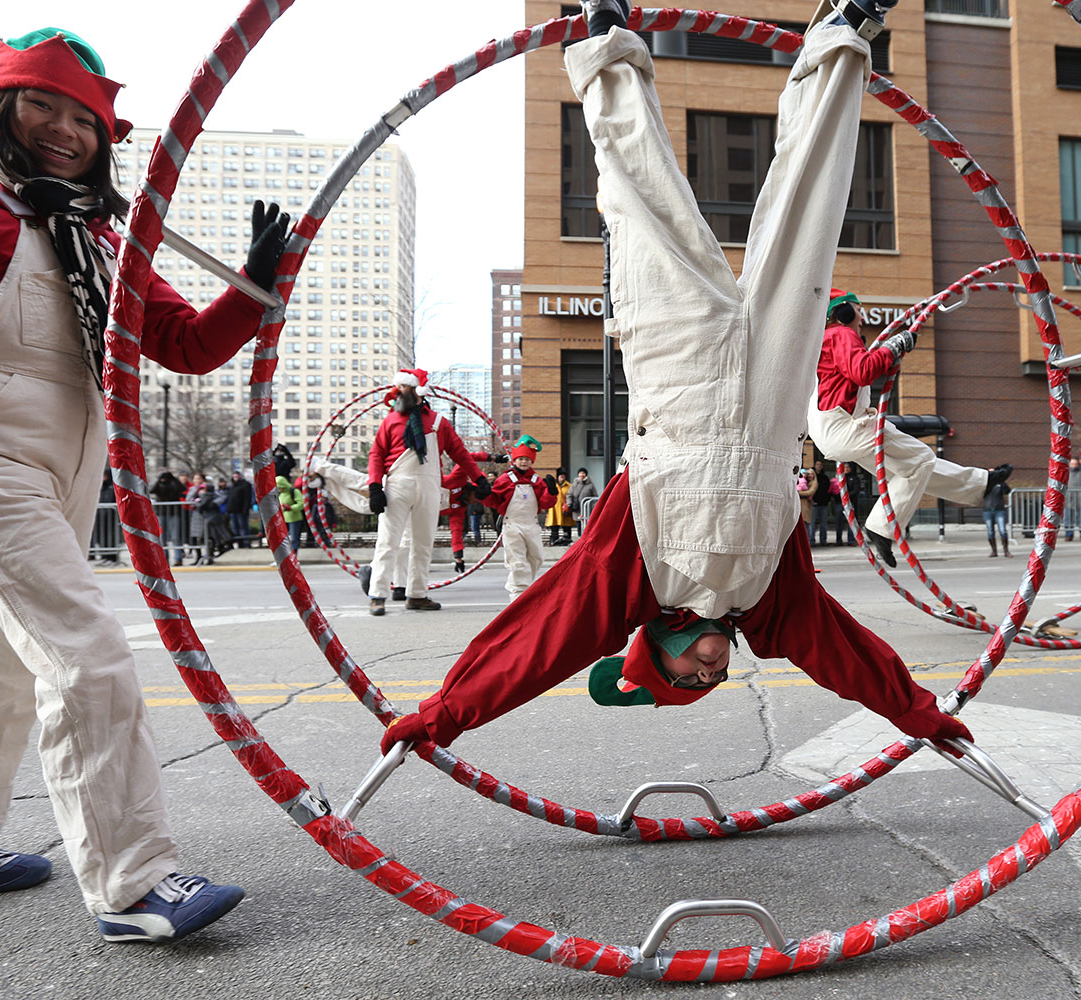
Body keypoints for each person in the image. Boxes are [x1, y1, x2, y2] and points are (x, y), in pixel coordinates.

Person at [380, 0, 971, 759]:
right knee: (813, 216)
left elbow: (534, 645)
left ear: (653, 649)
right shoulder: (770, 607)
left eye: (683, 677)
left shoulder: (627, 587)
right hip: (772, 399)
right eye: (709, 685)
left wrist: (443, 716)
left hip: (680, 379)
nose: (709, 674)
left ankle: (605, 41)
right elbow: (847, 656)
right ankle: (844, 32)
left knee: (642, 209)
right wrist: (920, 715)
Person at [0, 28, 278, 941]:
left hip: (74, 460)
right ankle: (135, 881)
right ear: (0, 108)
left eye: (85, 119)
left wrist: (251, 287)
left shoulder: (99, 236)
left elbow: (180, 344)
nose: (64, 130)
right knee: (87, 651)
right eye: (42, 105)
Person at [807, 288, 1010, 567]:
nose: (863, 316)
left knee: (913, 467)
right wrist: (894, 346)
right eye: (858, 308)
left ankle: (981, 484)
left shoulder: (827, 341)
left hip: (837, 429)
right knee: (921, 460)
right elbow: (863, 370)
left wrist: (892, 347)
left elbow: (857, 371)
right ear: (843, 312)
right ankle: (880, 527)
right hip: (845, 427)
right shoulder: (841, 334)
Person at [365, 369, 490, 614]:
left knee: (422, 543)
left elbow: (460, 453)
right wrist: (375, 486)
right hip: (397, 484)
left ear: (417, 391)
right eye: (398, 387)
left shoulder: (438, 422)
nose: (399, 391)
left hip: (429, 485)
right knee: (387, 541)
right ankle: (377, 595)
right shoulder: (390, 421)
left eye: (405, 387)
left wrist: (479, 478)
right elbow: (376, 454)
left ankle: (417, 594)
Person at [484, 441, 557, 599]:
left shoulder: (537, 481)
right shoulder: (505, 479)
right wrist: (483, 494)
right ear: (514, 460)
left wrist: (551, 492)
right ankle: (518, 595)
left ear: (532, 461)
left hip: (532, 525)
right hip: (512, 525)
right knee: (517, 561)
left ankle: (522, 587)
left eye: (527, 459)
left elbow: (545, 503)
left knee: (536, 558)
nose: (524, 462)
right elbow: (495, 500)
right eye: (520, 459)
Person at [441, 450, 503, 573]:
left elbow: (456, 532)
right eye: (477, 498)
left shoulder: (459, 509)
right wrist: (492, 457)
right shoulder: (458, 478)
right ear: (473, 491)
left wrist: (458, 558)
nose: (477, 502)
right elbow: (468, 457)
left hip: (416, 512)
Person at [982, 474, 1011, 557]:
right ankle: (994, 551)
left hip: (999, 509)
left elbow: (1007, 491)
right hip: (987, 510)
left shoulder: (999, 483)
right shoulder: (984, 484)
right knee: (990, 531)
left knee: (1003, 531)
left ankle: (1006, 551)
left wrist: (1001, 481)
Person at [566, 467, 599, 541]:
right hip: (577, 507)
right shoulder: (575, 484)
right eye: (580, 473)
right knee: (578, 523)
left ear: (586, 474)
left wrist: (593, 507)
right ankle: (579, 538)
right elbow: (569, 494)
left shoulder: (590, 484)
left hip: (587, 508)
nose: (582, 474)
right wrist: (569, 504)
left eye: (583, 473)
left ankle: (586, 538)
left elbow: (595, 496)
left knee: (587, 523)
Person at [226, 470, 254, 547]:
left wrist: (245, 509)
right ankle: (239, 543)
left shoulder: (245, 485)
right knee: (235, 528)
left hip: (241, 510)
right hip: (233, 510)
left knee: (243, 527)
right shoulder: (232, 486)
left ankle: (246, 543)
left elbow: (247, 498)